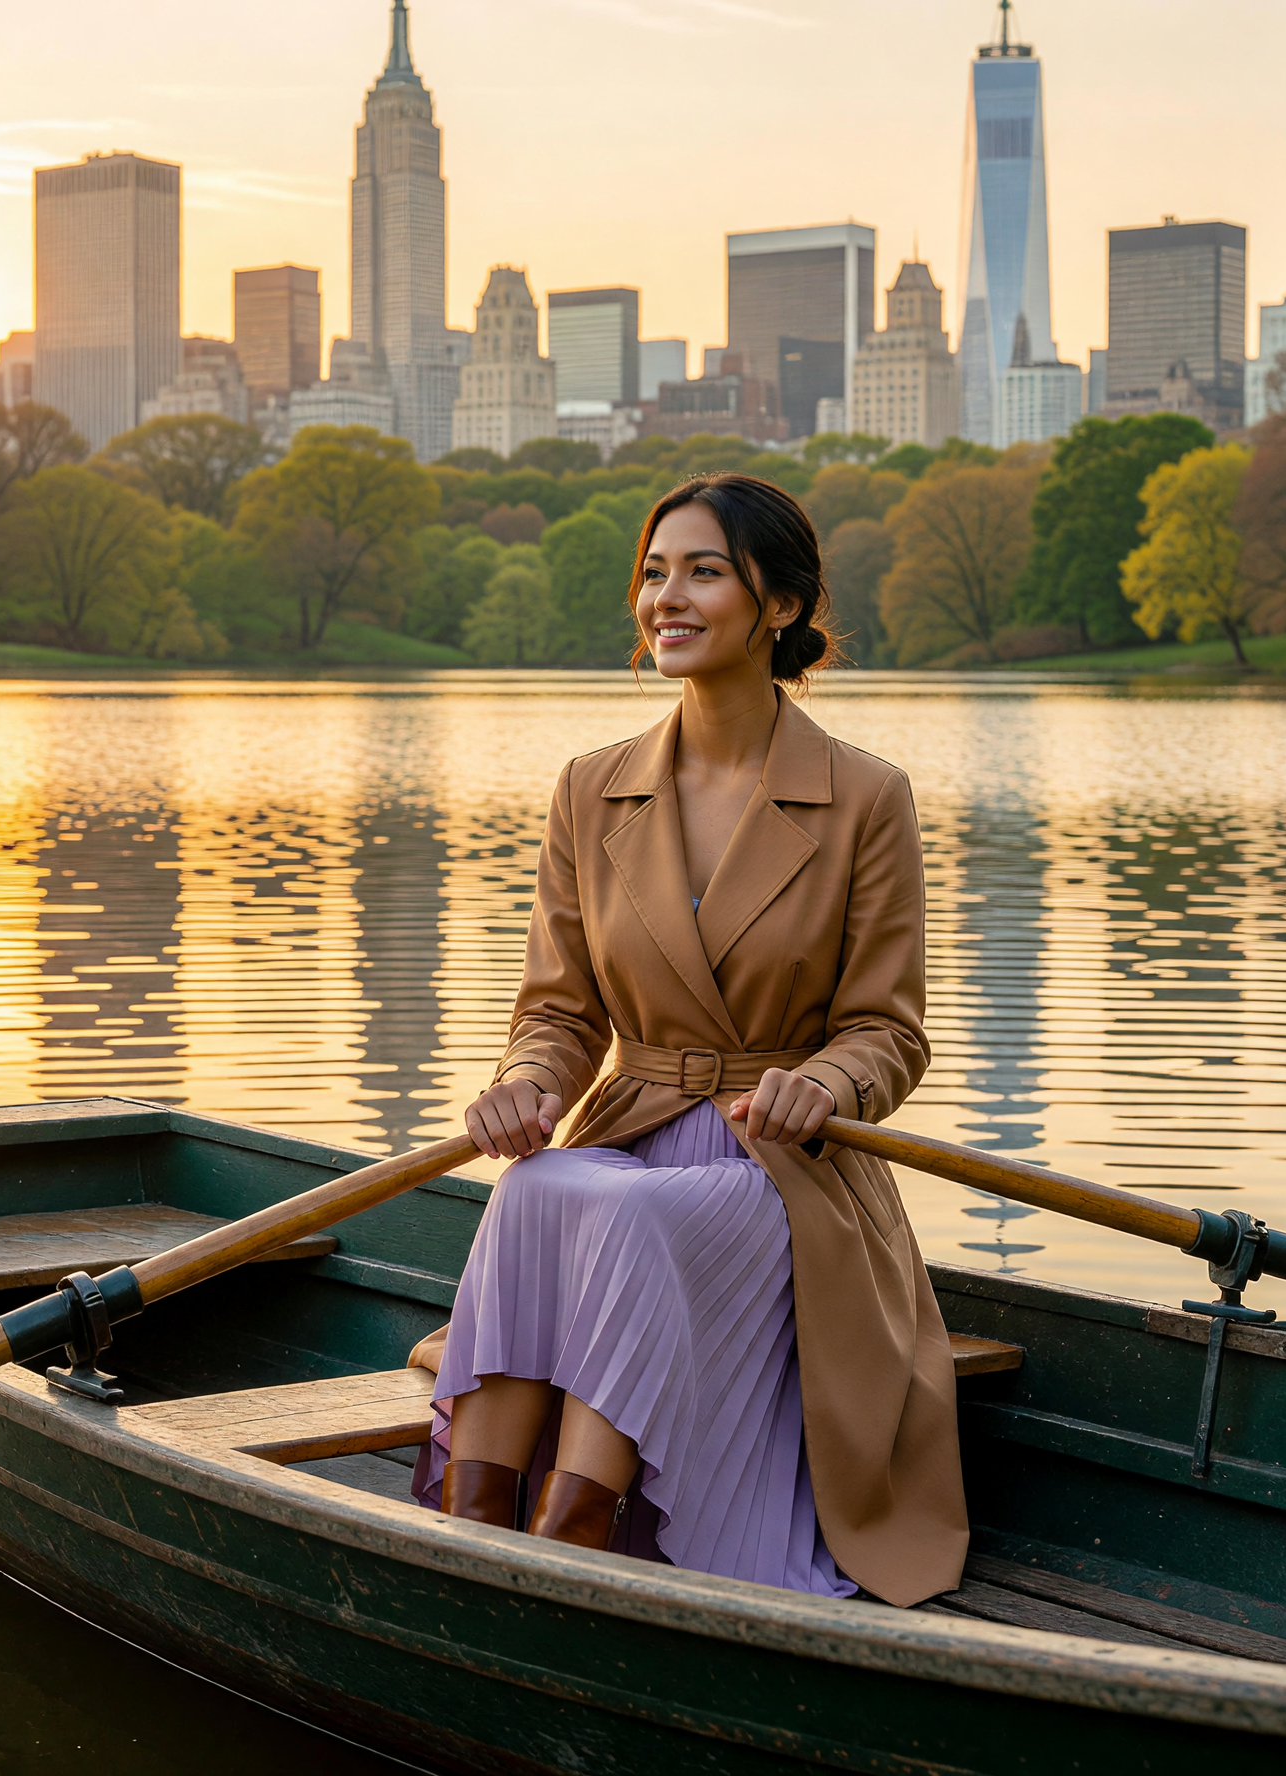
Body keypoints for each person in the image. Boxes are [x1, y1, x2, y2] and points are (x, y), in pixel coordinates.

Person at [406, 472, 967, 1608]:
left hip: (783, 1164)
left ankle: (579, 1537)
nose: (666, 596)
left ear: (778, 605)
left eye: (702, 571)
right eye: (653, 573)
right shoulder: (589, 788)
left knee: (608, 1205)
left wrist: (827, 1081)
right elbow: (560, 1014)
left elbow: (887, 1031)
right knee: (539, 1186)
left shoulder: (866, 797)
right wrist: (522, 1085)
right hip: (634, 1127)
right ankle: (473, 1529)